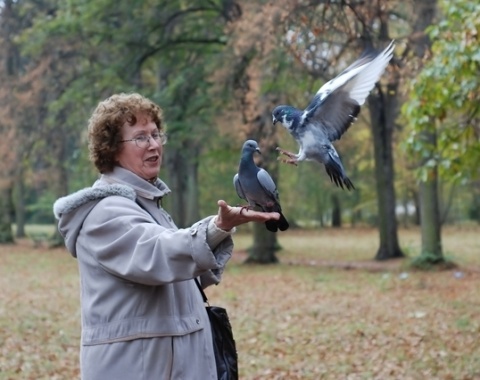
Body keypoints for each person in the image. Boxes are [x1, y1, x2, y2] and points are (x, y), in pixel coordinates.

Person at [53, 92, 280, 380]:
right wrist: (215, 228)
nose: (154, 145)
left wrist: (218, 234)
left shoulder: (148, 207)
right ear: (111, 149)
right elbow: (156, 253)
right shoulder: (105, 212)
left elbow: (179, 278)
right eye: (140, 138)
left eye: (156, 134)